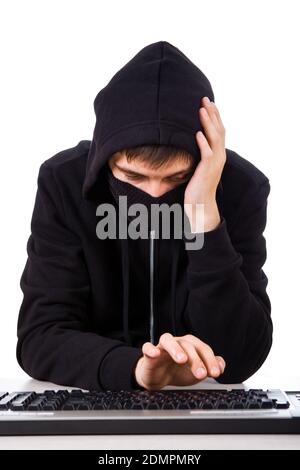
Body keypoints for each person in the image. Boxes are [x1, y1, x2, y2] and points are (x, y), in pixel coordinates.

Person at [16, 41, 272, 391]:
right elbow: (40, 337)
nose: (153, 194)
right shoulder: (64, 183)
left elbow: (241, 356)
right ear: (105, 157)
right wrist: (136, 369)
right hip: (91, 393)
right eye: (133, 177)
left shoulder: (242, 189)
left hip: (202, 400)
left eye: (176, 178)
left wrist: (204, 216)